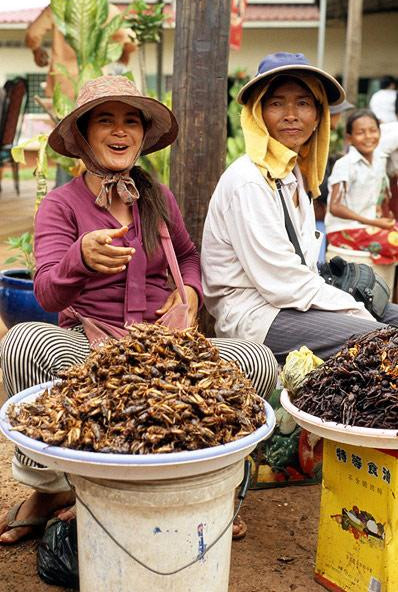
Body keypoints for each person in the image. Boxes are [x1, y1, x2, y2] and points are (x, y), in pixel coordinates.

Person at [0, 75, 277, 544]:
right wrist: (79, 258)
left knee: (257, 360)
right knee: (24, 343)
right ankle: (54, 489)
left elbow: (188, 257)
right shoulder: (61, 206)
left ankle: (207, 487)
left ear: (143, 136)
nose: (120, 131)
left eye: (131, 121)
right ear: (83, 136)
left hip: (162, 344)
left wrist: (188, 292)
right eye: (105, 120)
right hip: (90, 342)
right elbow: (46, 293)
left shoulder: (157, 197)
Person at [201, 52, 398, 366]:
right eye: (276, 103)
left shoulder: (294, 173)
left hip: (292, 300)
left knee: (393, 319)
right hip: (257, 315)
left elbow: (301, 273)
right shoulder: (250, 180)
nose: (291, 114)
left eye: (304, 103)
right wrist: (355, 310)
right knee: (384, 345)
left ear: (319, 114)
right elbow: (283, 285)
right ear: (258, 113)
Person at [325, 108, 398, 267]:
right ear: (349, 138)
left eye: (373, 131)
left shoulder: (379, 160)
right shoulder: (345, 164)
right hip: (343, 231)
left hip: (369, 226)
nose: (368, 137)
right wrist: (374, 222)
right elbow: (335, 207)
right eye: (360, 132)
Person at [25, 4, 136, 100]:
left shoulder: (57, 6)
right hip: (95, 82)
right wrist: (124, 55)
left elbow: (32, 34)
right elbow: (129, 39)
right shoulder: (106, 8)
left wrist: (36, 50)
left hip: (63, 82)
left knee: (65, 122)